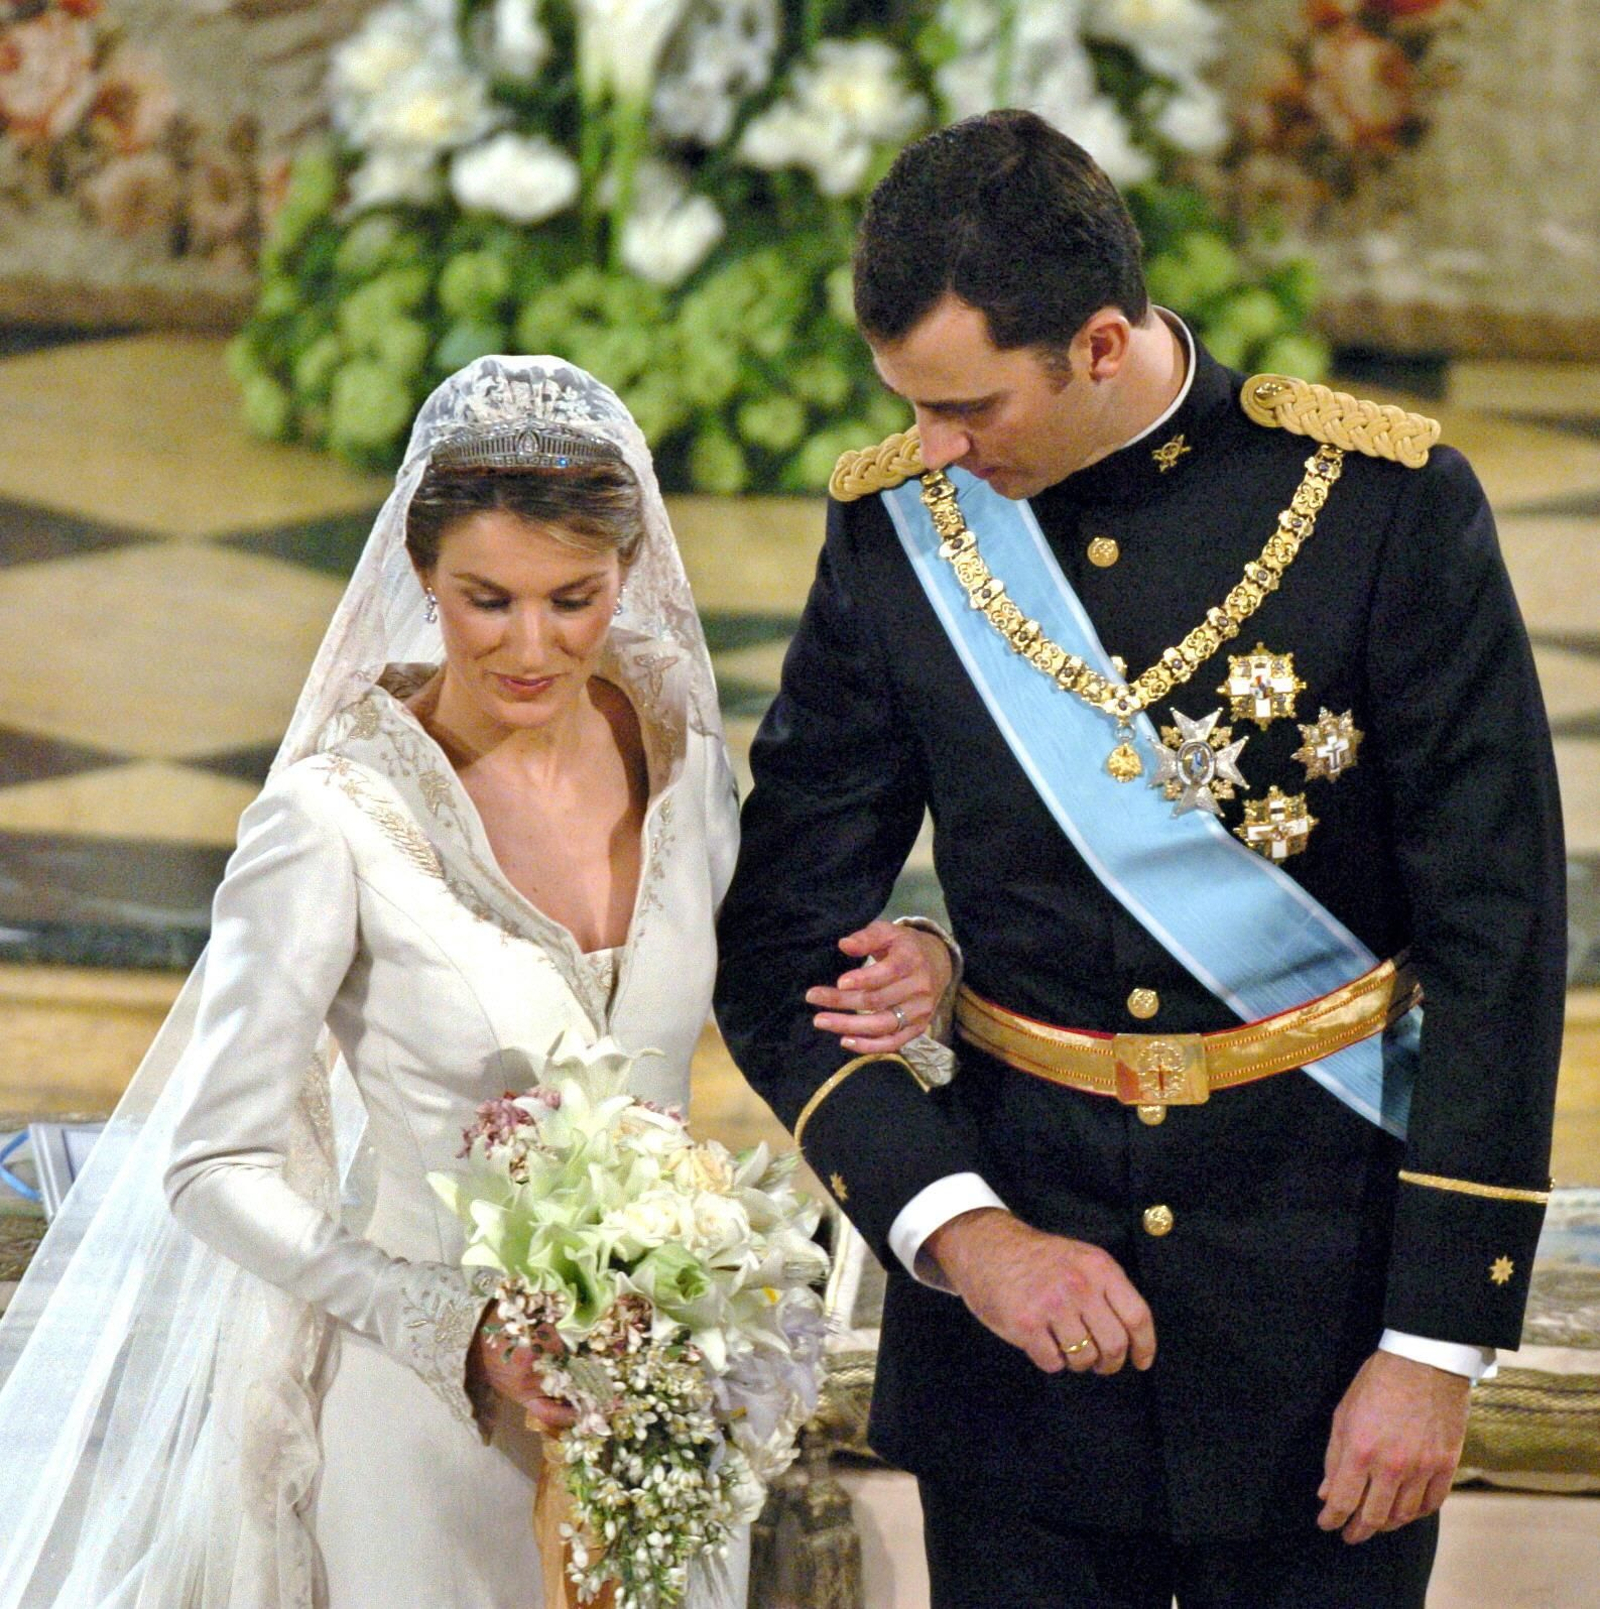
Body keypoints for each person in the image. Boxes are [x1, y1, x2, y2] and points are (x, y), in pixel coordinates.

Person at [714, 110, 1566, 1608]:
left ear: (1101, 345)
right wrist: (968, 1238)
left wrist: (1433, 1350)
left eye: (969, 407)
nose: (937, 450)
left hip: (1325, 1313)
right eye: (911, 407)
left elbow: (1500, 937)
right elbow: (778, 948)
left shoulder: (1381, 510)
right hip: (1021, 1356)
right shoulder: (898, 535)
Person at [0, 356, 943, 1608]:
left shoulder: (680, 761)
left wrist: (930, 965)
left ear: (631, 573)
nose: (532, 643)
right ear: (421, 576)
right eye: (484, 598)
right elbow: (212, 1163)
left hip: (658, 1418)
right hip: (423, 1426)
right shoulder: (331, 819)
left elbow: (781, 973)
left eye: (575, 598)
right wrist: (453, 1327)